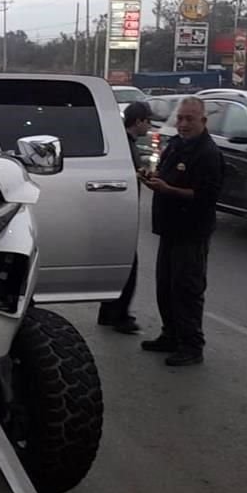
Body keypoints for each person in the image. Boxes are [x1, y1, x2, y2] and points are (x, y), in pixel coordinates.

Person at [139, 97, 225, 366]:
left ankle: (191, 345)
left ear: (203, 121)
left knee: (186, 289)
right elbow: (163, 173)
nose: (184, 124)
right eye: (181, 118)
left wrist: (168, 190)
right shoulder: (176, 144)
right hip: (169, 228)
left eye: (190, 119)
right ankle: (171, 335)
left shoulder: (208, 153)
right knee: (165, 286)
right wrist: (149, 176)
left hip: (192, 231)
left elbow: (204, 196)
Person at [97, 100, 151, 334]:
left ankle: (109, 313)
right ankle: (120, 315)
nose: (149, 126)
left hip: (115, 211)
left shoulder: (123, 142)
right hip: (121, 212)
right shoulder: (126, 146)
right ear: (138, 121)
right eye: (148, 121)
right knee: (128, 264)